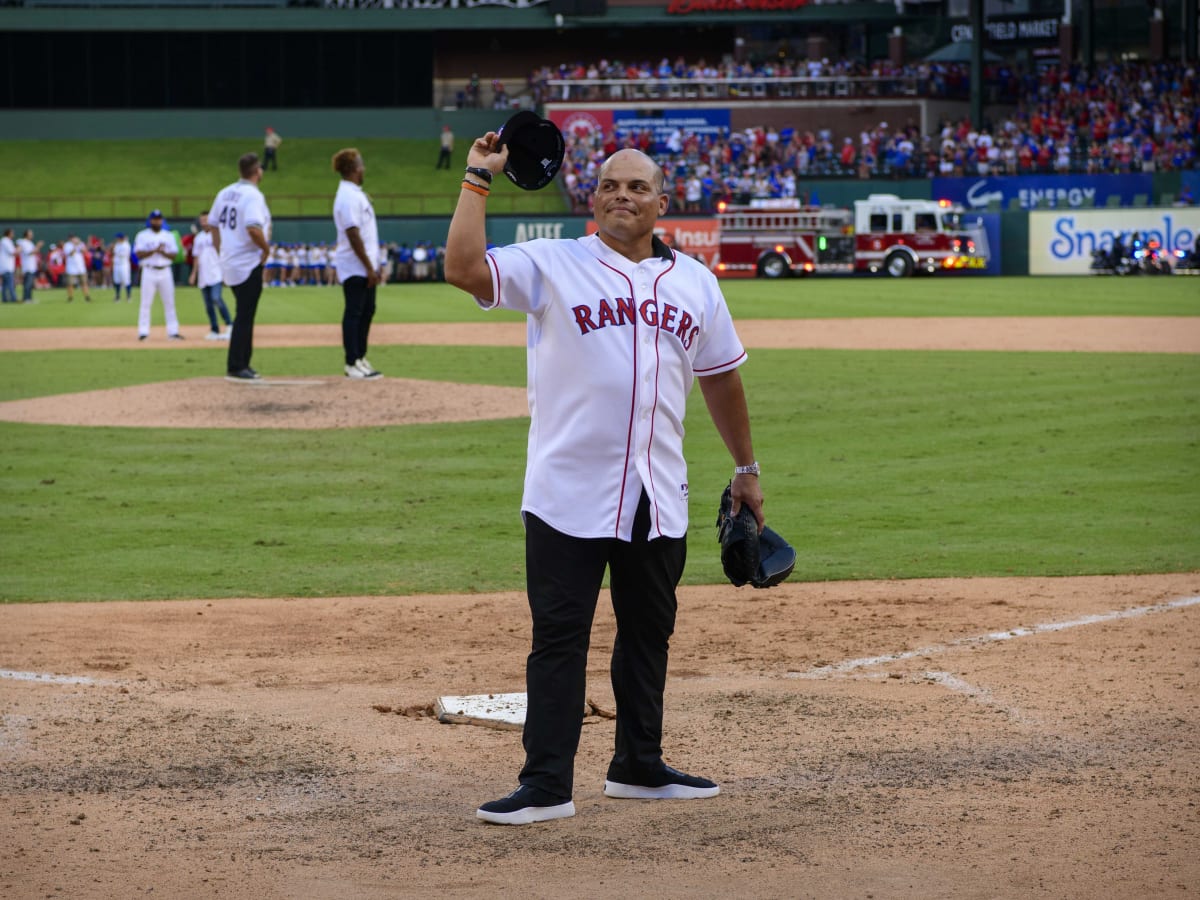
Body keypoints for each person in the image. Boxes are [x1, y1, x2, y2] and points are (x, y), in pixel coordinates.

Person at [445, 136, 765, 826]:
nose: (623, 195)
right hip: (566, 493)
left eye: (637, 187)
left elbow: (721, 379)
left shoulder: (696, 284)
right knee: (559, 637)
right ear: (592, 199)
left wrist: (745, 469)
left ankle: (638, 765)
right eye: (610, 186)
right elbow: (464, 269)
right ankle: (545, 783)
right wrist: (478, 178)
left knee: (649, 632)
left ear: (662, 201)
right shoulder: (552, 264)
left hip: (659, 493)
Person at [211, 152, 271, 381]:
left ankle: (243, 362)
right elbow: (254, 229)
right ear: (257, 171)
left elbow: (213, 226)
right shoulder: (252, 196)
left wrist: (220, 251)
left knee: (244, 313)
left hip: (230, 261)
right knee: (245, 315)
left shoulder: (224, 192)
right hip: (247, 262)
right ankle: (237, 365)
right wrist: (266, 249)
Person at [332, 148, 383, 379]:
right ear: (353, 169)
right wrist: (368, 267)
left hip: (365, 265)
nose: (363, 169)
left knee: (367, 310)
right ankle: (351, 361)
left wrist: (375, 265)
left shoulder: (355, 193)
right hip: (355, 266)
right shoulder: (347, 196)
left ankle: (360, 357)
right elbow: (353, 234)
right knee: (354, 312)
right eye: (361, 165)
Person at [133, 210, 183, 341]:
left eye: (159, 219)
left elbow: (174, 255)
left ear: (162, 220)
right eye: (154, 219)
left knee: (169, 303)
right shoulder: (142, 235)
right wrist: (154, 250)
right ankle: (143, 332)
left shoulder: (168, 235)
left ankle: (173, 332)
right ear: (150, 221)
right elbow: (138, 254)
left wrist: (161, 251)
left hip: (165, 270)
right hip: (149, 270)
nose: (157, 221)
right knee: (145, 303)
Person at [189, 211, 232, 340]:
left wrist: (226, 272)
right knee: (208, 305)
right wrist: (193, 273)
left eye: (206, 220)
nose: (204, 222)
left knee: (216, 298)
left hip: (216, 272)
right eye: (202, 220)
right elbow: (196, 257)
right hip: (203, 275)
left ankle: (230, 325)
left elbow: (224, 254)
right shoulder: (198, 238)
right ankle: (214, 329)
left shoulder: (218, 235)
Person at [62, 233, 92, 302]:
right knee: (70, 284)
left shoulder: (80, 244)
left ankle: (87, 296)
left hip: (81, 267)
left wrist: (81, 244)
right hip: (71, 268)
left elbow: (85, 251)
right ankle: (70, 297)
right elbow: (70, 253)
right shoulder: (67, 245)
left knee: (84, 283)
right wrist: (75, 245)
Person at [17, 230, 42, 302]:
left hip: (32, 266)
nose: (32, 235)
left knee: (30, 284)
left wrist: (38, 247)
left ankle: (29, 298)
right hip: (27, 266)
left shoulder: (30, 243)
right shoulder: (23, 242)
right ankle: (26, 298)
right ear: (26, 235)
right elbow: (29, 253)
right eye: (30, 234)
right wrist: (38, 246)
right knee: (27, 284)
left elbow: (35, 251)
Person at [111, 233, 133, 301]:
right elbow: (114, 253)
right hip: (117, 265)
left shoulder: (126, 245)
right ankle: (117, 296)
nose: (117, 239)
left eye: (118, 238)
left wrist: (116, 253)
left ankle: (129, 296)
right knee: (117, 280)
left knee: (126, 280)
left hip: (124, 265)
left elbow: (123, 254)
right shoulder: (117, 245)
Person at [0, 228, 16, 304]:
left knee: (5, 284)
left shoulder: (5, 241)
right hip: (6, 267)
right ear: (8, 233)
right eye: (12, 233)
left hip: (6, 266)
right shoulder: (5, 241)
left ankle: (5, 299)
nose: (13, 234)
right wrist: (19, 248)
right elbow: (12, 252)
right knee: (10, 284)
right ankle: (13, 298)